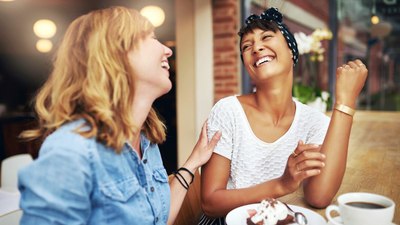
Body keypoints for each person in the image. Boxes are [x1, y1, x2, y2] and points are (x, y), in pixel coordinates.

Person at [17, 6, 221, 225]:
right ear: (116, 55)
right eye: (151, 37)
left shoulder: (146, 142)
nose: (168, 50)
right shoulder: (71, 151)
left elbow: (158, 219)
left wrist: (193, 163)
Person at [198, 7, 368, 225]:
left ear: (291, 51)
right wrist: (282, 184)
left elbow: (319, 196)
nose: (256, 47)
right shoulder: (227, 111)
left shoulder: (314, 123)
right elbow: (210, 203)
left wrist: (345, 102)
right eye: (246, 47)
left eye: (266, 37)